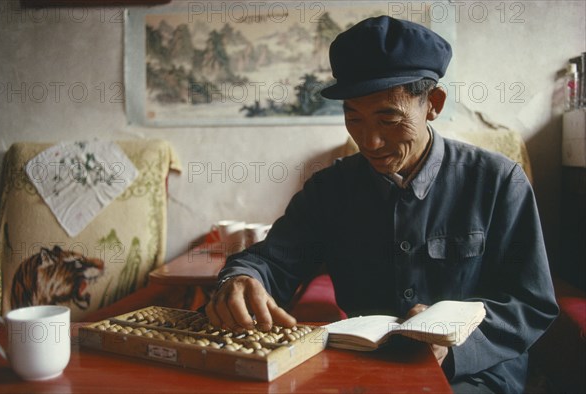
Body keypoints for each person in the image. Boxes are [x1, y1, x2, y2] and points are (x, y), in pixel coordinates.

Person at [205, 15, 558, 394]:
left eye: (388, 119)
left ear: (433, 103)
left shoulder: (498, 181)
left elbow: (530, 303)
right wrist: (242, 279)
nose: (369, 141)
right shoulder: (330, 189)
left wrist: (454, 343)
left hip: (474, 374)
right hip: (366, 371)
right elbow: (271, 261)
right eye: (353, 119)